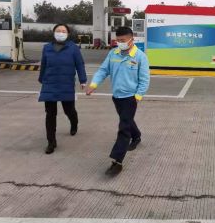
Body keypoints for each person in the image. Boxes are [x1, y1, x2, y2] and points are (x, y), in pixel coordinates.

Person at [86, 26, 150, 176]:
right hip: (117, 96)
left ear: (131, 39)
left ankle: (117, 161)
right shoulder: (113, 53)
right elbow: (103, 70)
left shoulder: (140, 57)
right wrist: (94, 84)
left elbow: (145, 79)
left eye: (123, 40)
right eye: (118, 40)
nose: (120, 43)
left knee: (123, 127)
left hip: (130, 97)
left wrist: (138, 96)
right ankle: (137, 136)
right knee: (126, 120)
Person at [38, 24, 87, 154]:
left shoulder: (73, 48)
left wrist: (83, 80)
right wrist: (41, 79)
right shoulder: (47, 48)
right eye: (58, 31)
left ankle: (74, 123)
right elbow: (44, 64)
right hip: (49, 83)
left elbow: (80, 64)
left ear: (68, 34)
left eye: (63, 31)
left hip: (66, 83)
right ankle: (51, 142)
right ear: (54, 32)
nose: (60, 33)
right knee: (50, 114)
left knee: (69, 110)